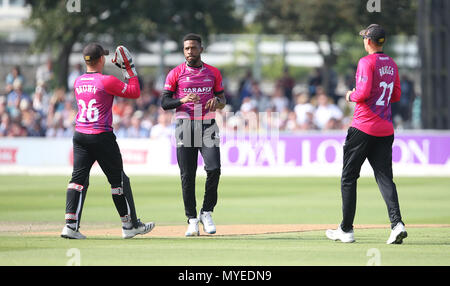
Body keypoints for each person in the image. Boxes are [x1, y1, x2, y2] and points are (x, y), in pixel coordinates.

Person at [61, 43, 155, 239]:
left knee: (77, 181)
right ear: (101, 59)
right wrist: (129, 69)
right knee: (118, 182)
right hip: (101, 136)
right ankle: (129, 226)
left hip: (80, 135)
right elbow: (134, 92)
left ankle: (70, 226)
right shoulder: (106, 81)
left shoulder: (78, 82)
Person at [326, 24, 407, 244]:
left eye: (364, 38)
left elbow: (361, 93)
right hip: (385, 128)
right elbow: (397, 95)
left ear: (369, 41)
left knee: (349, 178)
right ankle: (397, 223)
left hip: (363, 127)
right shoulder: (391, 63)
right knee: (384, 177)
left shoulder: (366, 62)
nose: (363, 41)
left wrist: (349, 95)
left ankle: (346, 229)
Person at [161, 33, 226, 237]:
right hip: (184, 126)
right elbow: (164, 103)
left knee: (214, 169)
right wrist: (182, 100)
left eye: (193, 48)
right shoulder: (175, 73)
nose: (190, 52)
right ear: (183, 51)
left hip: (207, 124)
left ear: (201, 49)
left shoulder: (213, 72)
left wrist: (218, 102)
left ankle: (206, 212)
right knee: (187, 176)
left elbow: (222, 98)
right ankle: (191, 219)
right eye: (187, 48)